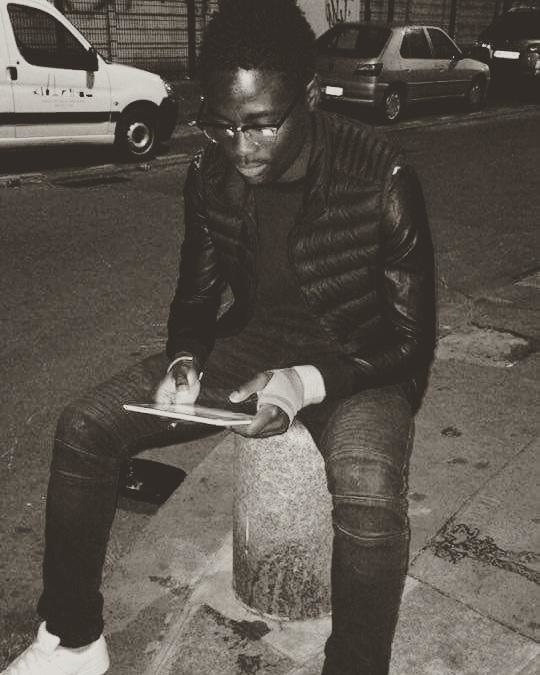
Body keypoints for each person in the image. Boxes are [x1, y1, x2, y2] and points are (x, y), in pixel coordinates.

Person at [2, 1, 436, 674]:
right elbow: (197, 299)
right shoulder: (210, 174)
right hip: (254, 345)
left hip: (361, 360)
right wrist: (185, 357)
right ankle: (74, 638)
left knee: (370, 493)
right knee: (85, 426)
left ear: (310, 96)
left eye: (260, 124)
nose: (240, 146)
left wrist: (304, 383)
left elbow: (412, 343)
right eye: (223, 124)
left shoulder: (382, 175)